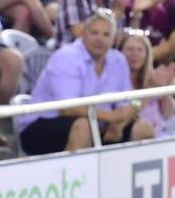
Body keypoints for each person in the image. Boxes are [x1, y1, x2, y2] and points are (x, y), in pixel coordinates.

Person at [17, 9, 154, 155]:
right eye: (94, 33)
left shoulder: (118, 60)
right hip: (42, 125)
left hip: (98, 123)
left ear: (114, 39)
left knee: (143, 129)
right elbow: (68, 108)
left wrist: (118, 124)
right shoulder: (67, 57)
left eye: (106, 34)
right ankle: (76, 177)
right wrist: (112, 116)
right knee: (84, 127)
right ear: (83, 34)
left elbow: (128, 104)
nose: (99, 39)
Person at [120, 28, 175, 136]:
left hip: (160, 131)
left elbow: (168, 114)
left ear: (147, 55)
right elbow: (133, 108)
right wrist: (149, 90)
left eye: (139, 50)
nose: (134, 54)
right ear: (120, 52)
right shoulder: (116, 80)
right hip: (134, 133)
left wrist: (165, 89)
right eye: (130, 49)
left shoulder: (154, 77)